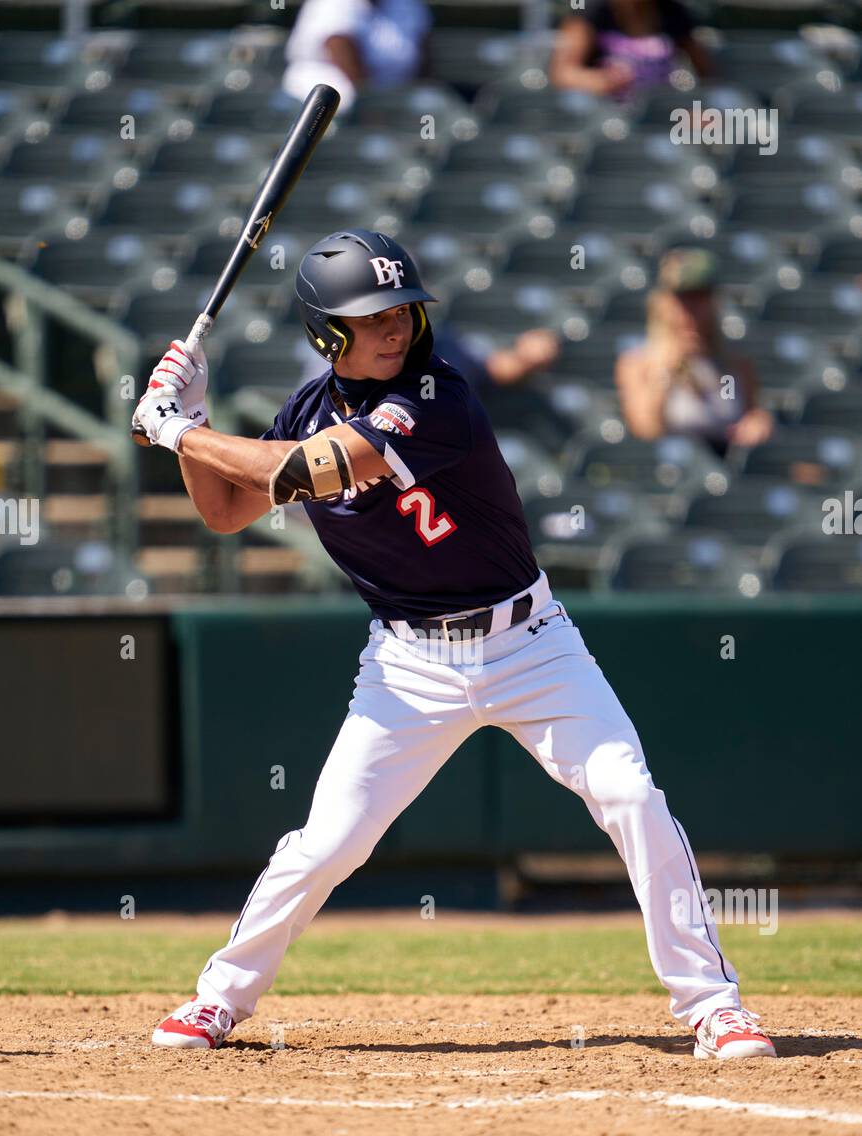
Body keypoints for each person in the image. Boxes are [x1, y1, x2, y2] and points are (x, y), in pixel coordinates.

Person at [132, 228, 777, 1062]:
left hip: (531, 645)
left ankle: (714, 1006)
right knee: (329, 842)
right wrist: (195, 418)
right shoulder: (306, 410)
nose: (395, 324)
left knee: (632, 797)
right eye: (372, 315)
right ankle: (218, 999)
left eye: (402, 307)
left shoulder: (437, 397)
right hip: (408, 666)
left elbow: (308, 474)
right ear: (328, 332)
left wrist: (176, 431)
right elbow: (224, 510)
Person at [615, 246, 774, 453]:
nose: (691, 309)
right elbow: (647, 430)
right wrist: (669, 369)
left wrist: (758, 423)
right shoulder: (638, 363)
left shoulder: (736, 364)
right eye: (683, 298)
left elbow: (747, 415)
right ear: (664, 302)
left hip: (725, 464)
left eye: (700, 297)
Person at [282, 0, 431, 112]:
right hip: (330, 94)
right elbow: (340, 48)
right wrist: (371, 102)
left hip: (394, 95)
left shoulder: (407, 4)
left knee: (433, 103)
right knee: (343, 103)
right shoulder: (333, 3)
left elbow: (424, 56)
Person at [550, 0, 709, 100]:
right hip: (605, 110)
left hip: (659, 110)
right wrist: (602, 81)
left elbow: (707, 74)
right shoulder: (591, 11)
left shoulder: (672, 12)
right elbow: (562, 73)